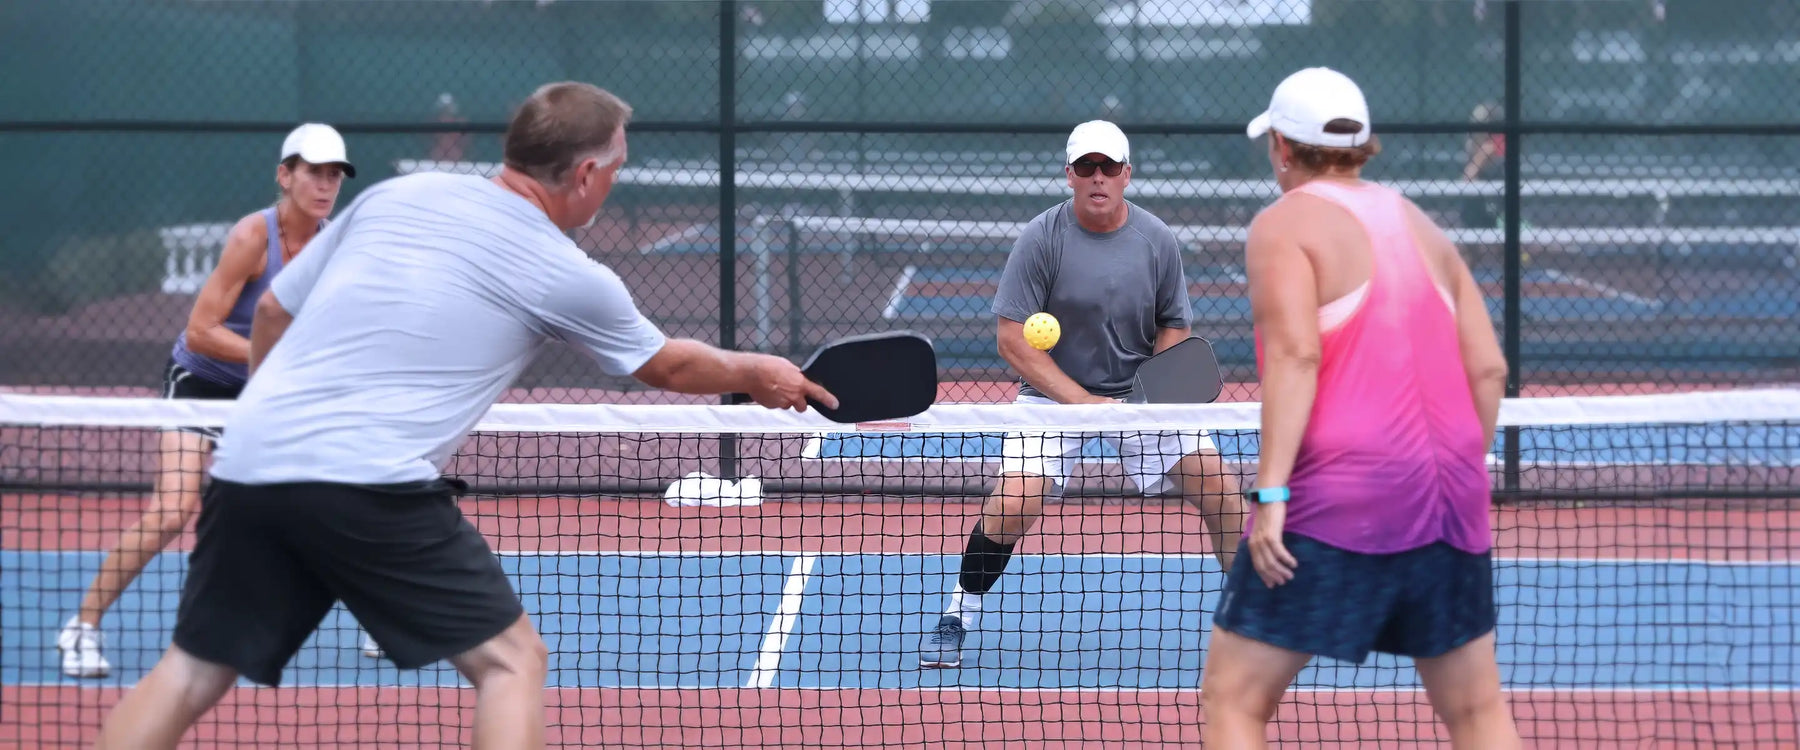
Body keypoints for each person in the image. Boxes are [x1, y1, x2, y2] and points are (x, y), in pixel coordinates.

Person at [93, 81, 836, 750]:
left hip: (248, 458)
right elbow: (668, 365)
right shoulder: (569, 272)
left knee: (190, 673)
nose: (612, 182)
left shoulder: (393, 197)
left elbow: (279, 309)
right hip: (366, 481)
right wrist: (756, 370)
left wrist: (270, 410)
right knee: (512, 661)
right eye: (615, 169)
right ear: (584, 175)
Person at [1201, 67, 1520, 748]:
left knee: (1234, 700)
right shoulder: (1422, 224)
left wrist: (1272, 494)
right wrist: (1459, 473)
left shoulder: (1281, 225)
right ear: (1361, 145)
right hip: (1451, 503)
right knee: (1476, 711)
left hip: (1338, 502)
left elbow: (1295, 355)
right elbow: (1489, 369)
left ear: (1282, 148)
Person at [918, 120, 1245, 669]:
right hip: (1051, 399)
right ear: (1069, 175)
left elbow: (1174, 326)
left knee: (1221, 489)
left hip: (1140, 397)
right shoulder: (1041, 237)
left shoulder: (1156, 239)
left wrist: (1153, 392)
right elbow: (1011, 340)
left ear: (1126, 174)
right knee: (1013, 501)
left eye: (1109, 167)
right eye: (1087, 167)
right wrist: (1082, 403)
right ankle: (958, 612)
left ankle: (1253, 618)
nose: (1099, 177)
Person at [57, 123, 356, 679]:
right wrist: (273, 358)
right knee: (172, 510)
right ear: (284, 175)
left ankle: (384, 618)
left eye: (334, 174)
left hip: (267, 389)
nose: (325, 185)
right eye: (313, 172)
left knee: (339, 500)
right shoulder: (252, 237)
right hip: (201, 384)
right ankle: (81, 627)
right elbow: (200, 331)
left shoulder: (333, 245)